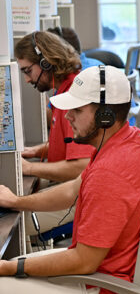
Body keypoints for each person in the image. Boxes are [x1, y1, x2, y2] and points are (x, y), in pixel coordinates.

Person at [0, 65, 140, 294]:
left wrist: (10, 267)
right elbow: (70, 191)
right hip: (112, 270)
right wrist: (16, 201)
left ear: (106, 116)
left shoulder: (110, 172)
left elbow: (84, 261)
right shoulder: (129, 141)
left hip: (104, 283)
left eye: (78, 110)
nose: (68, 116)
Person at [14, 31, 93, 243]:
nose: (27, 79)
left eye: (28, 70)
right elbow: (71, 143)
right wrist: (36, 151)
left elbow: (82, 165)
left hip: (83, 196)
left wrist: (28, 168)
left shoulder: (75, 97)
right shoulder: (64, 90)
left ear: (47, 62)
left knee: (13, 224)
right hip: (74, 188)